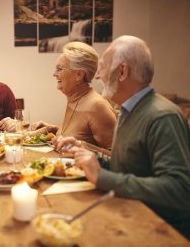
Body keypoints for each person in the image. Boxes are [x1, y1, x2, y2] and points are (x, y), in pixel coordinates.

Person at [57, 35, 190, 238]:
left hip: (160, 232)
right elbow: (127, 167)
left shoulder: (163, 116)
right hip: (128, 215)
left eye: (102, 67)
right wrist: (88, 154)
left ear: (122, 71)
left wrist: (103, 177)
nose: (98, 76)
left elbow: (179, 190)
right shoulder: (129, 111)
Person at [31, 42, 117, 151]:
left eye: (60, 69)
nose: (54, 74)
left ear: (79, 75)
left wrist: (81, 146)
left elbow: (116, 158)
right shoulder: (74, 98)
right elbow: (80, 134)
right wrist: (52, 129)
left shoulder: (97, 106)